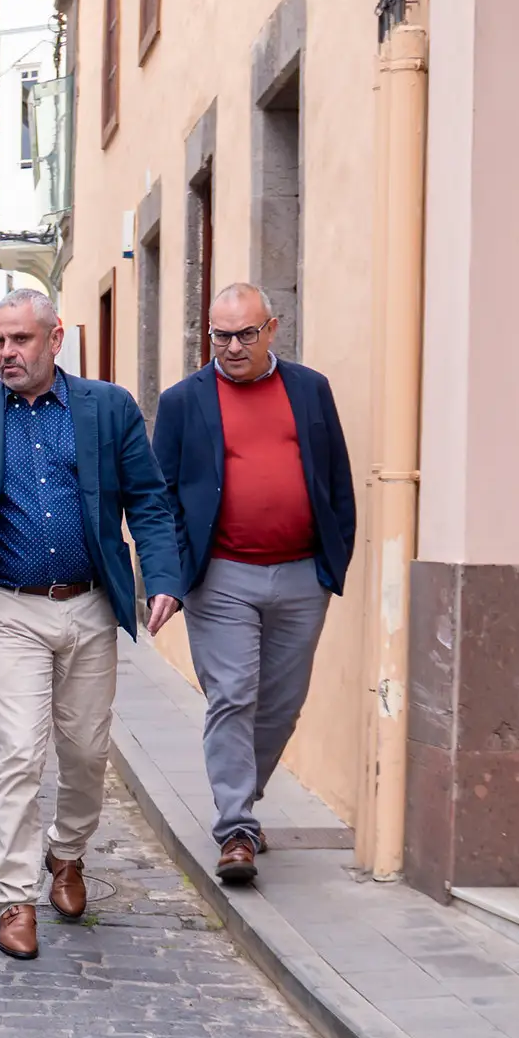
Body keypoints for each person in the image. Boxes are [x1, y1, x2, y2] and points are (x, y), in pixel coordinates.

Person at [0, 288, 183, 962]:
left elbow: (149, 501)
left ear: (55, 338)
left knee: (86, 750)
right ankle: (15, 896)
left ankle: (66, 853)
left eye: (20, 340)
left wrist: (162, 579)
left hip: (91, 600)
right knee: (18, 749)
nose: (7, 353)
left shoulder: (108, 409)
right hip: (8, 604)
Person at [152, 283, 355, 886]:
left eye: (245, 333)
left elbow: (335, 476)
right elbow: (160, 495)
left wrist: (329, 561)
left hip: (300, 573)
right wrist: (171, 574)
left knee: (283, 705)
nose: (232, 346)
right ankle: (235, 827)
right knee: (234, 694)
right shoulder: (184, 401)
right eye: (220, 335)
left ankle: (245, 800)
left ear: (272, 328)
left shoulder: (310, 389)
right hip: (222, 577)